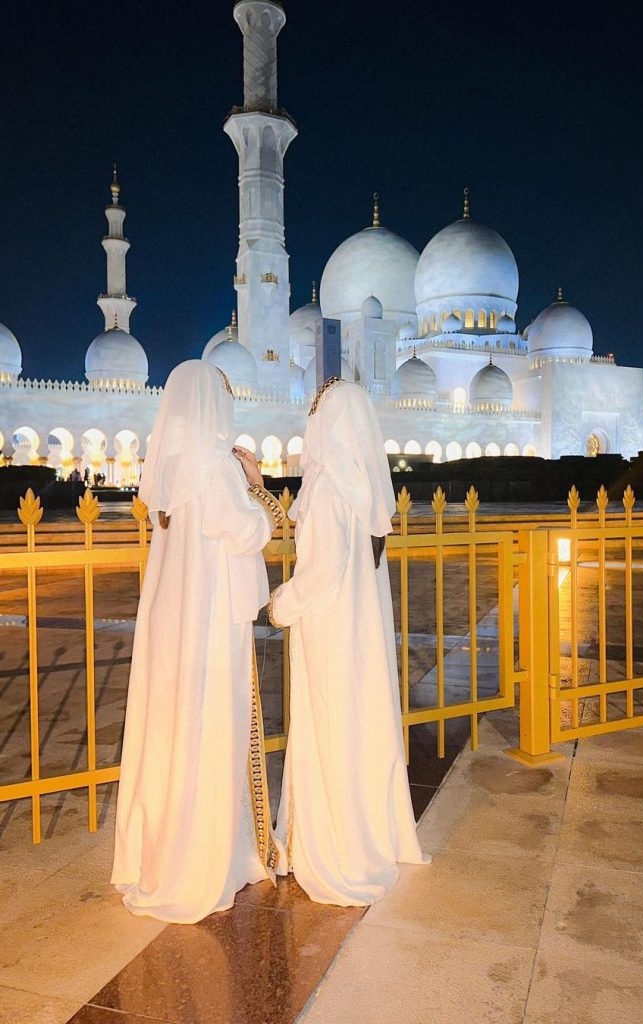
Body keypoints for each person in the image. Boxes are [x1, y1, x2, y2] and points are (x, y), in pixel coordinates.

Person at [112, 360, 284, 923]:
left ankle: (162, 851)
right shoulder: (213, 467)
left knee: (171, 731)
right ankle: (204, 857)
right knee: (211, 726)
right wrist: (260, 490)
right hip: (208, 627)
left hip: (172, 627)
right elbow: (249, 531)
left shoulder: (168, 468)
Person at [268, 377, 429, 906]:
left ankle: (336, 847)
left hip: (331, 639)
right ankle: (367, 832)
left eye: (318, 416)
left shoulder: (332, 490)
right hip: (357, 640)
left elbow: (320, 573)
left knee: (331, 731)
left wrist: (279, 605)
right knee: (358, 730)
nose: (311, 425)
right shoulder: (361, 491)